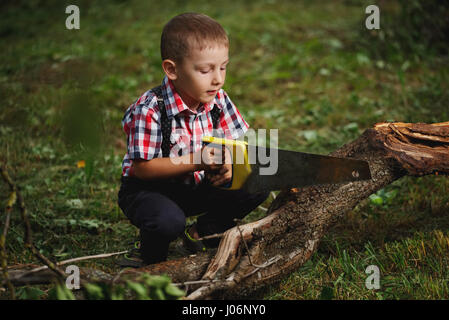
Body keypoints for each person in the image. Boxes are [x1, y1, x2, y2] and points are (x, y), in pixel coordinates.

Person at [118, 12, 268, 266]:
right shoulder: (151, 108)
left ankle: (204, 232)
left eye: (223, 67)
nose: (218, 78)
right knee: (167, 222)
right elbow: (142, 169)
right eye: (205, 70)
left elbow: (234, 144)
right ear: (172, 69)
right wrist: (196, 161)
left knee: (258, 177)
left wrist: (229, 164)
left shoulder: (218, 99)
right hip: (151, 190)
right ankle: (148, 253)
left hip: (197, 187)